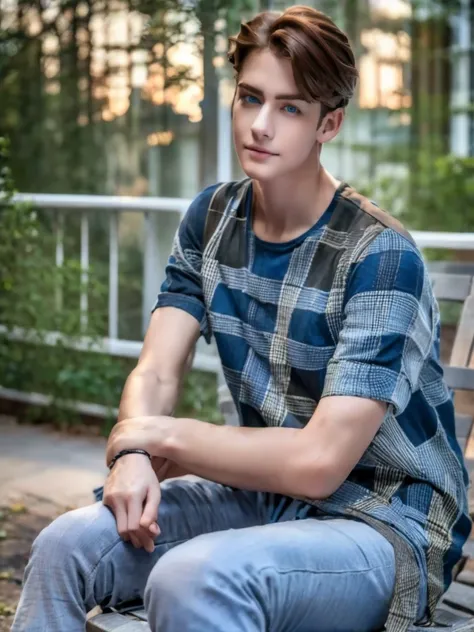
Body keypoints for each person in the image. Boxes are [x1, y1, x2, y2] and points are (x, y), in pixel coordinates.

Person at [12, 5, 471, 632]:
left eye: (289, 108)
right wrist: (133, 454)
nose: (260, 125)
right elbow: (155, 369)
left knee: (192, 577)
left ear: (327, 124)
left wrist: (159, 437)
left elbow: (320, 462)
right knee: (66, 545)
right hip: (264, 500)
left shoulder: (379, 255)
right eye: (250, 97)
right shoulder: (210, 219)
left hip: (382, 523)